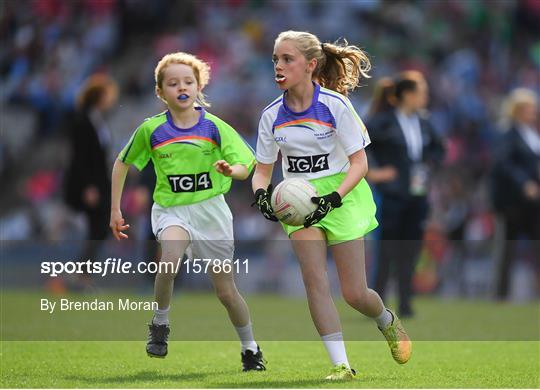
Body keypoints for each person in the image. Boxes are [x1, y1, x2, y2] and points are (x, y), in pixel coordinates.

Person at [251, 30, 411, 381]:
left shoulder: (336, 106)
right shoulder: (270, 115)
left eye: (287, 59)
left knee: (355, 293)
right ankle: (341, 364)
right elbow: (262, 171)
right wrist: (262, 194)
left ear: (310, 65)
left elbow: (360, 164)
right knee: (315, 282)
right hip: (297, 201)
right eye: (276, 59)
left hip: (342, 194)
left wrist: (334, 198)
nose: (278, 65)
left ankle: (386, 319)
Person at [110, 52, 265, 371]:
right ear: (160, 91)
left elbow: (247, 165)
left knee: (225, 292)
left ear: (198, 86)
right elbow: (122, 164)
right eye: (173, 82)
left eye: (188, 81)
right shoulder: (151, 129)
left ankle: (250, 348)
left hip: (211, 213)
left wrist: (229, 170)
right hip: (171, 211)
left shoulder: (214, 127)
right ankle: (160, 324)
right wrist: (115, 209)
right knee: (168, 263)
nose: (181, 87)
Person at [366, 71, 445, 317]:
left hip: (417, 194)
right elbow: (357, 148)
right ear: (407, 94)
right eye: (421, 92)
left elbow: (439, 149)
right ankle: (375, 304)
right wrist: (375, 173)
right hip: (391, 195)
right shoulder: (382, 121)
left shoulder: (423, 121)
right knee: (387, 250)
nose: (425, 97)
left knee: (410, 250)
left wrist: (428, 165)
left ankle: (405, 302)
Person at [63, 73, 118, 289]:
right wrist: (88, 186)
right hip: (91, 185)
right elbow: (81, 157)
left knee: (100, 227)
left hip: (100, 182)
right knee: (100, 226)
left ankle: (81, 275)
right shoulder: (82, 120)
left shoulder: (97, 119)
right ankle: (81, 275)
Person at [491, 88, 540, 299]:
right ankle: (501, 295)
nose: (534, 113)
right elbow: (504, 164)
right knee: (508, 250)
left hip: (533, 203)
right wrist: (524, 183)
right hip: (513, 202)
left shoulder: (532, 134)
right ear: (517, 110)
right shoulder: (508, 133)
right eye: (529, 109)